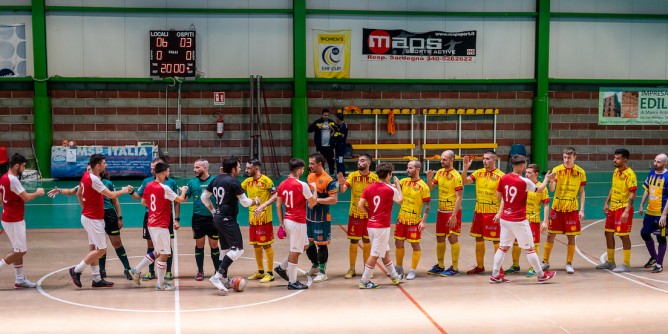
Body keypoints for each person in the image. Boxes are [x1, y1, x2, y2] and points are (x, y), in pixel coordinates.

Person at [489, 155, 556, 284]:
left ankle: (495, 274)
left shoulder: (504, 178)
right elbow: (540, 189)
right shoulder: (524, 182)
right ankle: (541, 275)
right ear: (521, 166)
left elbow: (498, 195)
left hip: (505, 218)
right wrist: (547, 179)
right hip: (518, 220)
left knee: (502, 247)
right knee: (530, 248)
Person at [68, 154, 130, 288]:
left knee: (94, 248)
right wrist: (124, 190)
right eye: (104, 163)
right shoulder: (94, 179)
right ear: (97, 166)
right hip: (93, 219)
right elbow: (111, 195)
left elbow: (79, 193)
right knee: (101, 249)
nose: (105, 165)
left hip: (91, 217)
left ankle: (96, 279)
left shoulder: (86, 175)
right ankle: (76, 270)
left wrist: (85, 208)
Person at [201, 156, 259, 294]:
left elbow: (204, 197)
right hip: (228, 219)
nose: (240, 169)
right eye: (239, 167)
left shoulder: (216, 179)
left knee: (225, 250)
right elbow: (245, 203)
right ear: (233, 169)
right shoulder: (233, 182)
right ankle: (217, 276)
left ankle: (224, 280)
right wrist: (256, 201)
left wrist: (213, 211)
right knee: (238, 250)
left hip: (218, 218)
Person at [128, 162, 188, 290]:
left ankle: (136, 270)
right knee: (165, 254)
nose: (169, 173)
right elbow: (180, 199)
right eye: (168, 171)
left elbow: (143, 202)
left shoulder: (149, 185)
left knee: (157, 251)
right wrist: (183, 190)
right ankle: (160, 284)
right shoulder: (164, 188)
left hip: (151, 222)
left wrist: (156, 209)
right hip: (160, 225)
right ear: (163, 172)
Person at [0, 153, 45, 288]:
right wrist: (38, 192)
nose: (24, 169)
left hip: (10, 217)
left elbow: (1, 198)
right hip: (13, 219)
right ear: (16, 165)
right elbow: (26, 197)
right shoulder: (13, 179)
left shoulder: (3, 177)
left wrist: (6, 209)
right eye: (23, 166)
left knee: (17, 248)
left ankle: (19, 279)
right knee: (21, 250)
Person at [357, 162, 405, 288]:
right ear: (389, 175)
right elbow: (400, 200)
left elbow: (360, 205)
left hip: (371, 225)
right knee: (375, 254)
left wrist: (370, 214)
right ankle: (364, 281)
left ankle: (394, 277)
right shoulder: (391, 190)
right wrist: (398, 186)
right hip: (382, 226)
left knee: (385, 252)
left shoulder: (368, 188)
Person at [273, 158, 318, 290]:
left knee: (304, 245)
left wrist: (281, 223)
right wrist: (314, 189)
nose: (303, 171)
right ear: (298, 170)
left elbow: (278, 205)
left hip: (288, 219)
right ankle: (292, 281)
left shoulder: (282, 184)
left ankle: (281, 267)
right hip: (297, 221)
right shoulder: (301, 185)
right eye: (303, 169)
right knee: (295, 251)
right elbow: (313, 202)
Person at [543, 147, 586, 274]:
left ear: (574, 158)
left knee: (571, 237)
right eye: (564, 157)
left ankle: (569, 263)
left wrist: (582, 209)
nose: (566, 160)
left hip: (572, 209)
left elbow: (582, 192)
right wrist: (550, 180)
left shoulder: (581, 172)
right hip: (557, 208)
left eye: (569, 157)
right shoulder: (557, 170)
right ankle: (545, 261)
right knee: (551, 235)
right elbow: (552, 189)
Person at [462, 151, 505, 275]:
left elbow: (505, 198)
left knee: (496, 241)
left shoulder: (501, 176)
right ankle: (480, 266)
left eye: (487, 159)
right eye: (483, 159)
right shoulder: (478, 173)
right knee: (478, 238)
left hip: (493, 212)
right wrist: (465, 169)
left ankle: (499, 268)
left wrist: (500, 213)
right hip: (479, 211)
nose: (484, 161)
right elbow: (464, 181)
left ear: (494, 160)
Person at [337, 154, 378, 279]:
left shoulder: (374, 178)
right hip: (354, 214)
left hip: (368, 215)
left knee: (367, 241)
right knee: (354, 241)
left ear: (368, 163)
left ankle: (367, 269)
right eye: (359, 160)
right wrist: (340, 183)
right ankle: (352, 269)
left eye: (362, 160)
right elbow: (343, 190)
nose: (359, 162)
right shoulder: (353, 176)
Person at [597, 149, 637, 273]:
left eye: (617, 158)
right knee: (608, 233)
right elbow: (613, 187)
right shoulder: (616, 171)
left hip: (623, 208)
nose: (614, 160)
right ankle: (610, 262)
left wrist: (626, 211)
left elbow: (633, 194)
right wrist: (606, 202)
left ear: (625, 160)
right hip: (613, 208)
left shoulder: (630, 175)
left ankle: (626, 264)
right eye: (614, 157)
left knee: (624, 236)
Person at [425, 150, 463, 277]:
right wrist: (429, 178)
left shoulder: (456, 176)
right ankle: (440, 265)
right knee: (440, 238)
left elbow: (459, 197)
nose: (442, 161)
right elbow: (430, 188)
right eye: (441, 159)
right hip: (441, 211)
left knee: (452, 238)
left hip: (452, 211)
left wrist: (453, 215)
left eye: (444, 159)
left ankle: (455, 267)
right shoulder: (440, 173)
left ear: (452, 160)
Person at [242, 159, 277, 283]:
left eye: (248, 168)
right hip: (252, 220)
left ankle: (270, 273)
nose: (246, 170)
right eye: (246, 168)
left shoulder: (266, 181)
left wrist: (263, 205)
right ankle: (261, 271)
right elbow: (236, 191)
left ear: (256, 168)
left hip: (264, 220)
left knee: (266, 244)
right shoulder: (247, 182)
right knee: (256, 244)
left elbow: (276, 195)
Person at [184, 159, 220, 281]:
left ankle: (217, 271)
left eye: (197, 167)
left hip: (213, 218)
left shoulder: (215, 181)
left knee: (214, 245)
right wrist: (181, 192)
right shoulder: (192, 182)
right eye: (194, 167)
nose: (195, 170)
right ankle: (200, 271)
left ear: (205, 167)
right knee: (199, 245)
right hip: (198, 218)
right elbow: (184, 198)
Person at [394, 160, 431, 280]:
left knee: (415, 245)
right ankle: (399, 268)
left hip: (414, 221)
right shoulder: (403, 182)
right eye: (407, 168)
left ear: (417, 169)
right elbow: (392, 187)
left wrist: (423, 221)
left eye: (410, 168)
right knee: (398, 243)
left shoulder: (423, 186)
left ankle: (413, 270)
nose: (407, 170)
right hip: (401, 219)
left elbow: (428, 205)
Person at [305, 153, 338, 282]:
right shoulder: (310, 176)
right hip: (309, 216)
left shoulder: (328, 180)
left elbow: (334, 199)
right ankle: (315, 265)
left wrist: (316, 200)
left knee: (321, 244)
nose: (310, 166)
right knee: (308, 242)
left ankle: (323, 272)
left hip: (322, 217)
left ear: (320, 164)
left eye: (312, 163)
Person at [97, 170, 133, 280]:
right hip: (96, 215)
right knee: (100, 244)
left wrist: (119, 217)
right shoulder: (89, 182)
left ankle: (127, 269)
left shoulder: (107, 183)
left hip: (109, 214)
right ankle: (101, 270)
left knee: (117, 242)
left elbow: (115, 200)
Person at [637, 153, 668, 273]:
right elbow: (647, 189)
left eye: (658, 162)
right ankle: (654, 257)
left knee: (661, 238)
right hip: (650, 212)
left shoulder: (667, 176)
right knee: (644, 233)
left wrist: (664, 215)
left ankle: (659, 264)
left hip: (661, 213)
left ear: (664, 163)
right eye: (655, 161)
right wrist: (641, 204)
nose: (655, 163)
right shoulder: (651, 173)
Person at [308, 108, 338, 175]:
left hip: (329, 146)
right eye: (325, 115)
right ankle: (322, 174)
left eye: (327, 115)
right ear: (322, 115)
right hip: (321, 146)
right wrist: (317, 128)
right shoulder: (317, 122)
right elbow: (309, 129)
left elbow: (338, 130)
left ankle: (332, 174)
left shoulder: (331, 122)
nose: (326, 117)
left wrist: (332, 128)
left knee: (331, 161)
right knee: (321, 162)